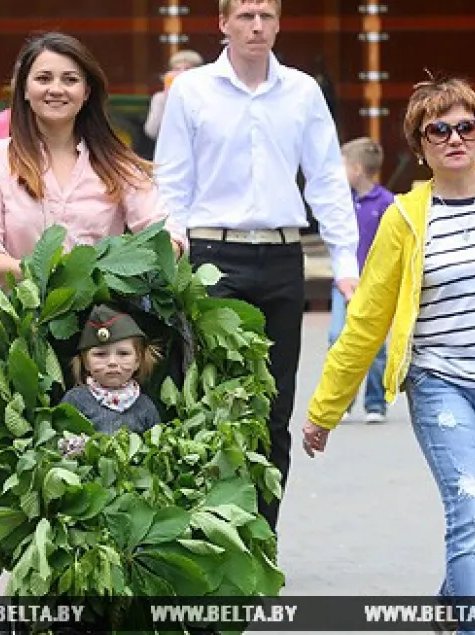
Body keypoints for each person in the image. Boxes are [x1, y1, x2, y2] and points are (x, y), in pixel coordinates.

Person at [302, 77, 475, 632]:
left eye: (464, 126)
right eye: (437, 129)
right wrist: (326, 410)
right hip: (442, 384)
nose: (453, 138)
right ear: (420, 146)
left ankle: (451, 609)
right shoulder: (404, 219)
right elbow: (366, 319)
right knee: (468, 512)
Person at [153, 0, 359, 532]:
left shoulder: (302, 91)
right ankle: (212, 526)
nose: (256, 26)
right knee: (214, 397)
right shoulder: (192, 91)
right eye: (245, 15)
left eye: (266, 15)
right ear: (222, 23)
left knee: (275, 401)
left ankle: (261, 533)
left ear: (279, 22)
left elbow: (327, 179)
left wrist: (345, 260)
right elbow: (172, 180)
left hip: (283, 257)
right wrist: (171, 244)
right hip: (212, 257)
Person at [0, 32, 185, 285]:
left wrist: (130, 267)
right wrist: (48, 275)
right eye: (43, 78)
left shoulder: (117, 164)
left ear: (86, 92)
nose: (56, 89)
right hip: (18, 317)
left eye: (70, 80)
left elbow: (168, 234)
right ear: (25, 89)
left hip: (99, 318)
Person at [330, 137, 395, 423]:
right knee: (337, 338)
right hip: (343, 282)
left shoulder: (386, 203)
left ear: (356, 168)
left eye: (342, 165)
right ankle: (342, 400)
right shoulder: (339, 200)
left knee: (376, 345)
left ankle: (375, 402)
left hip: (373, 285)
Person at [60, 304, 163, 437]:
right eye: (101, 354)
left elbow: (158, 447)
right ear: (86, 362)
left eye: (123, 353)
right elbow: (57, 441)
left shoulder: (145, 407)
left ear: (137, 360)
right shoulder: (75, 401)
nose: (112, 362)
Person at [142, 49, 203, 142]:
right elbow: (151, 131)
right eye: (177, 69)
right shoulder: (160, 98)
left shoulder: (205, 96)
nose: (181, 73)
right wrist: (168, 100)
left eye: (187, 69)